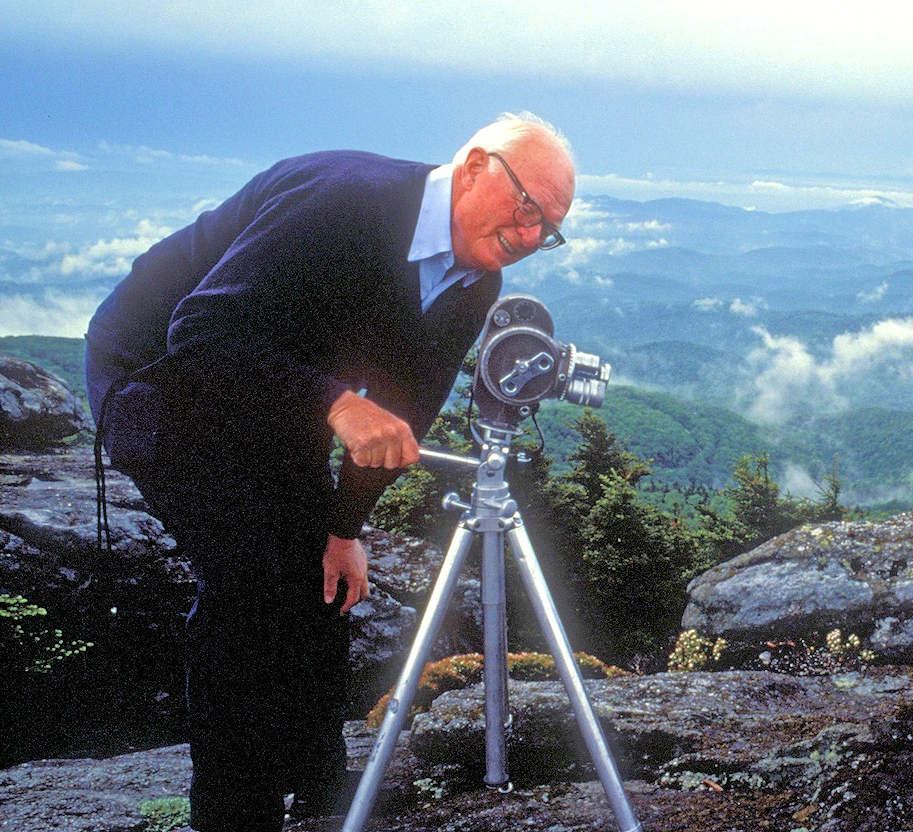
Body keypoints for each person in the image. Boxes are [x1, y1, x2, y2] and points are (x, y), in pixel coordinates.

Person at [84, 112, 575, 832]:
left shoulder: (475, 283)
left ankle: (322, 794)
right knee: (249, 580)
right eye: (526, 207)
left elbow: (404, 415)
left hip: (269, 387)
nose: (530, 236)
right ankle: (232, 813)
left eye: (548, 228)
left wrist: (343, 528)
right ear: (474, 166)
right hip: (158, 379)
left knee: (322, 584)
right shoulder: (345, 200)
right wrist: (337, 403)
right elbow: (201, 331)